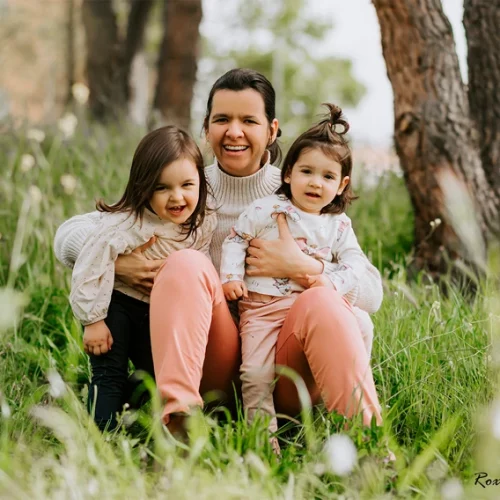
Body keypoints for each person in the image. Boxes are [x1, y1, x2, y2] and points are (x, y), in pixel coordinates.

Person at [54, 68, 382, 441]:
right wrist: (117, 262)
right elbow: (71, 234)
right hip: (215, 366)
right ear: (206, 128)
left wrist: (306, 268)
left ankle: (369, 442)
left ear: (272, 131)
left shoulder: (304, 188)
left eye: (249, 121)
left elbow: (371, 291)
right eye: (222, 119)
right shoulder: (184, 186)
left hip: (285, 368)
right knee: (185, 263)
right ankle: (179, 420)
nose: (234, 132)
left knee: (325, 299)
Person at [220, 104, 371, 453]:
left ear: (341, 184)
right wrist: (230, 276)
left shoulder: (339, 225)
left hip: (307, 313)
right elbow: (236, 239)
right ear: (288, 174)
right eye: (306, 171)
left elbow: (356, 266)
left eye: (327, 176)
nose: (316, 183)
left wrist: (324, 280)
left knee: (361, 325)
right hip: (260, 310)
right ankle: (262, 440)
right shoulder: (267, 209)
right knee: (255, 374)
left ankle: (348, 414)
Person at [67, 125, 216, 430]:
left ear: (201, 181)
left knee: (154, 372)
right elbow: (88, 267)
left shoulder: (201, 224)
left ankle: (127, 408)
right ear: (143, 186)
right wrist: (92, 320)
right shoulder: (127, 224)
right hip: (116, 307)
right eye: (162, 188)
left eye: (187, 184)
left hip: (156, 314)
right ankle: (103, 433)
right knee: (109, 373)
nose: (177, 197)